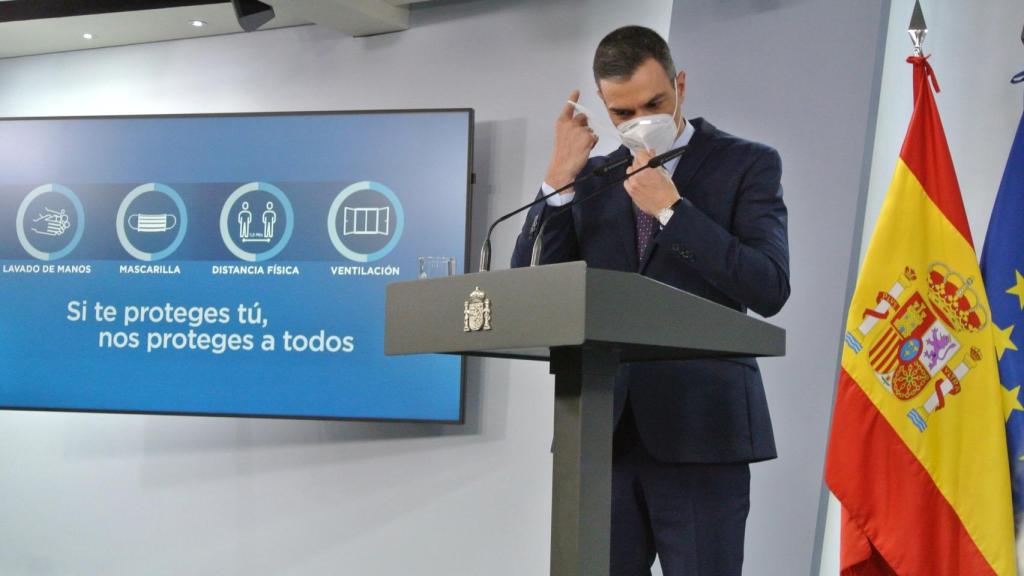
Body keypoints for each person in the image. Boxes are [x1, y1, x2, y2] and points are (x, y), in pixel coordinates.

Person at [511, 25, 790, 576]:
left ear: (680, 84)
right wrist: (556, 184)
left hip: (702, 432)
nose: (640, 120)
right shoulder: (591, 180)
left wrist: (674, 211)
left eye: (654, 102)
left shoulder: (748, 163)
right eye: (621, 113)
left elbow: (769, 285)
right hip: (600, 435)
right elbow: (529, 287)